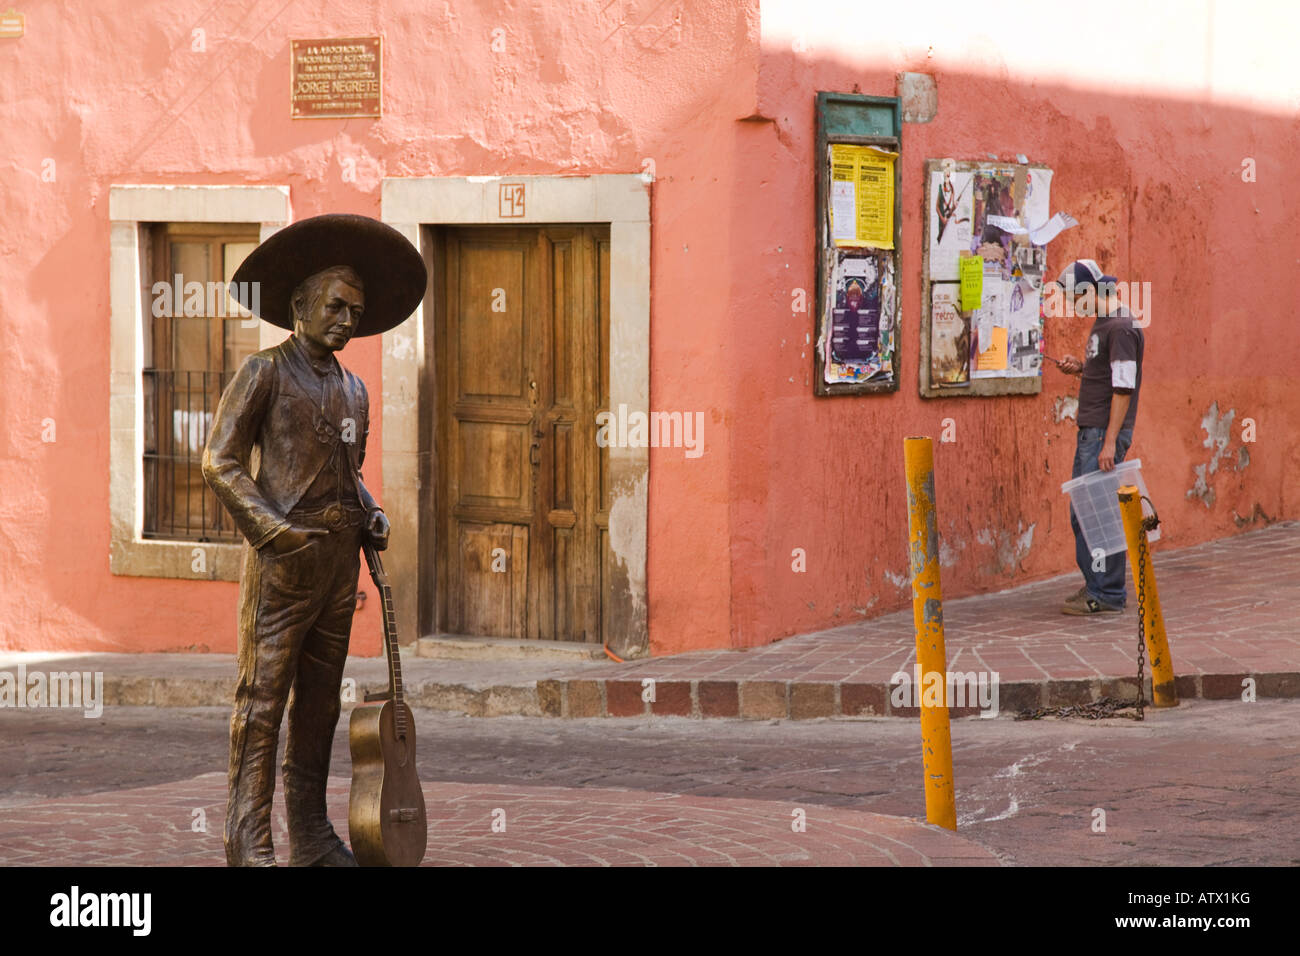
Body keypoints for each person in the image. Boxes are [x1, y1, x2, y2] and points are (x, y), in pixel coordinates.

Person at [203, 214, 425, 865]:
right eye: (335, 305)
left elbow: (348, 476)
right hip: (282, 569)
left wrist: (372, 511)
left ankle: (310, 833)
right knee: (262, 703)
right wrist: (273, 532)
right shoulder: (263, 373)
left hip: (337, 573)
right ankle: (247, 839)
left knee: (321, 708)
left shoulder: (355, 388)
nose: (348, 320)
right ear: (299, 306)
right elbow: (219, 462)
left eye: (357, 311)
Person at [1054, 259, 1145, 615]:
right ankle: (1097, 584)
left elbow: (1124, 388)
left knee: (1097, 513)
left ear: (1091, 291)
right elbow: (1109, 377)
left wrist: (1110, 442)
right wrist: (1082, 368)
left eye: (1077, 299)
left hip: (1102, 435)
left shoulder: (1120, 328)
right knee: (1085, 511)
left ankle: (1107, 592)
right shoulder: (1104, 323)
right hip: (1092, 430)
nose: (1076, 308)